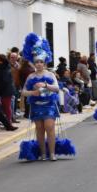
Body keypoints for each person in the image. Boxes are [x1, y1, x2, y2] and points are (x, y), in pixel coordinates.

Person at [20, 33, 60, 161]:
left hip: (49, 105)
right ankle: (43, 153)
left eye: (41, 62)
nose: (38, 64)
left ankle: (52, 153)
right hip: (36, 106)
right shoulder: (31, 76)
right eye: (36, 62)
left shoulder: (50, 74)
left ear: (45, 62)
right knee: (39, 129)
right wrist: (32, 93)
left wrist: (46, 85)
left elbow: (57, 88)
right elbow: (23, 91)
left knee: (49, 127)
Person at [0, 54, 16, 123]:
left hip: (6, 91)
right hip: (2, 90)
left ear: (1, 61)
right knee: (3, 106)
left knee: (6, 106)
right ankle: (5, 121)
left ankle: (8, 121)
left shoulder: (4, 69)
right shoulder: (0, 68)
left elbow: (4, 81)